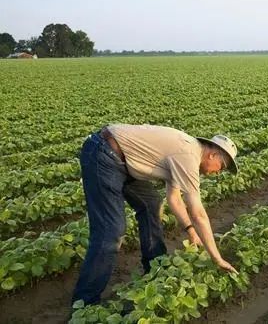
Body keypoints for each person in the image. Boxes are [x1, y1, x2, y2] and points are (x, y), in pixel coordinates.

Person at [71, 124, 239, 306]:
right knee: (111, 231)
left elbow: (174, 199)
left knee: (151, 203)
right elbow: (198, 213)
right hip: (104, 154)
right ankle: (84, 302)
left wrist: (191, 231)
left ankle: (155, 268)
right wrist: (217, 258)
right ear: (213, 155)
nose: (217, 173)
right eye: (221, 167)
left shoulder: (188, 153)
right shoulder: (188, 155)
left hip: (123, 160)